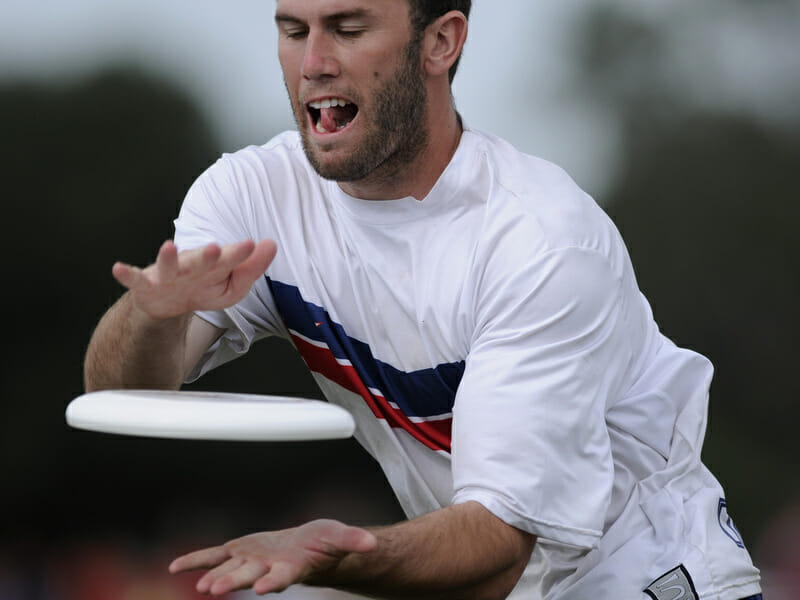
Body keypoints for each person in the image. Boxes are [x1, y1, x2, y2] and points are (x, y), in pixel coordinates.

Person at [83, 0, 763, 598]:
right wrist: (150, 318)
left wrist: (332, 556)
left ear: (442, 42)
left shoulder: (540, 243)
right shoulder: (251, 197)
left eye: (348, 29)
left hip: (650, 578)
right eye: (293, 30)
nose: (313, 61)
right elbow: (123, 393)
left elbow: (495, 550)